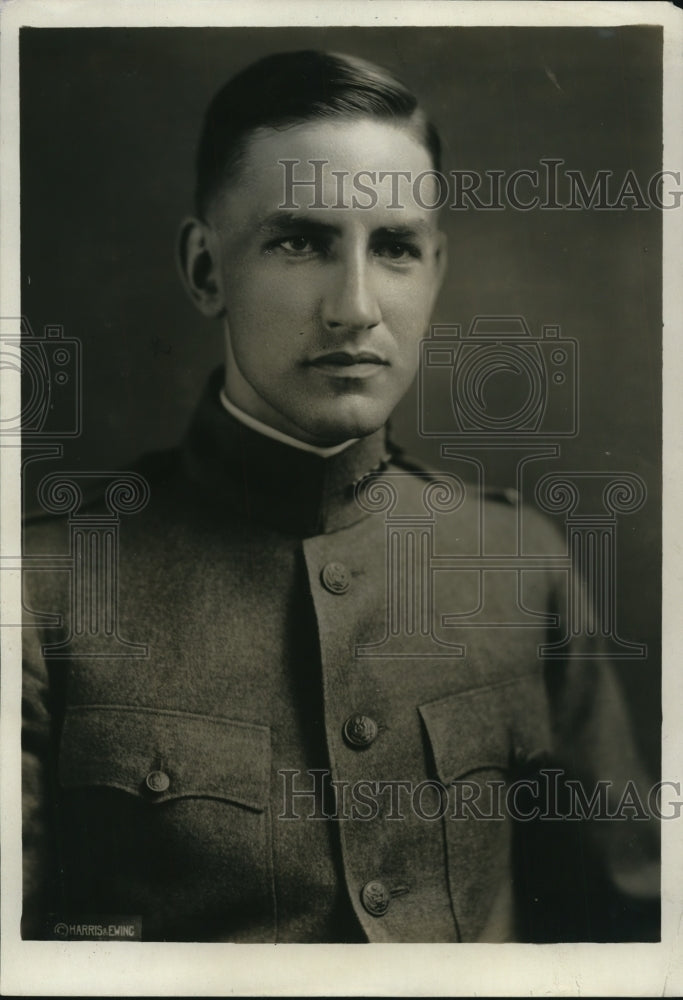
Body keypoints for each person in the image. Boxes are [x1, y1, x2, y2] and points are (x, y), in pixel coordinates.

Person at [21, 49, 659, 944]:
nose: (355, 306)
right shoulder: (40, 587)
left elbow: (631, 933)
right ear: (206, 271)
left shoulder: (523, 564)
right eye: (299, 241)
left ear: (433, 272)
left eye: (394, 248)